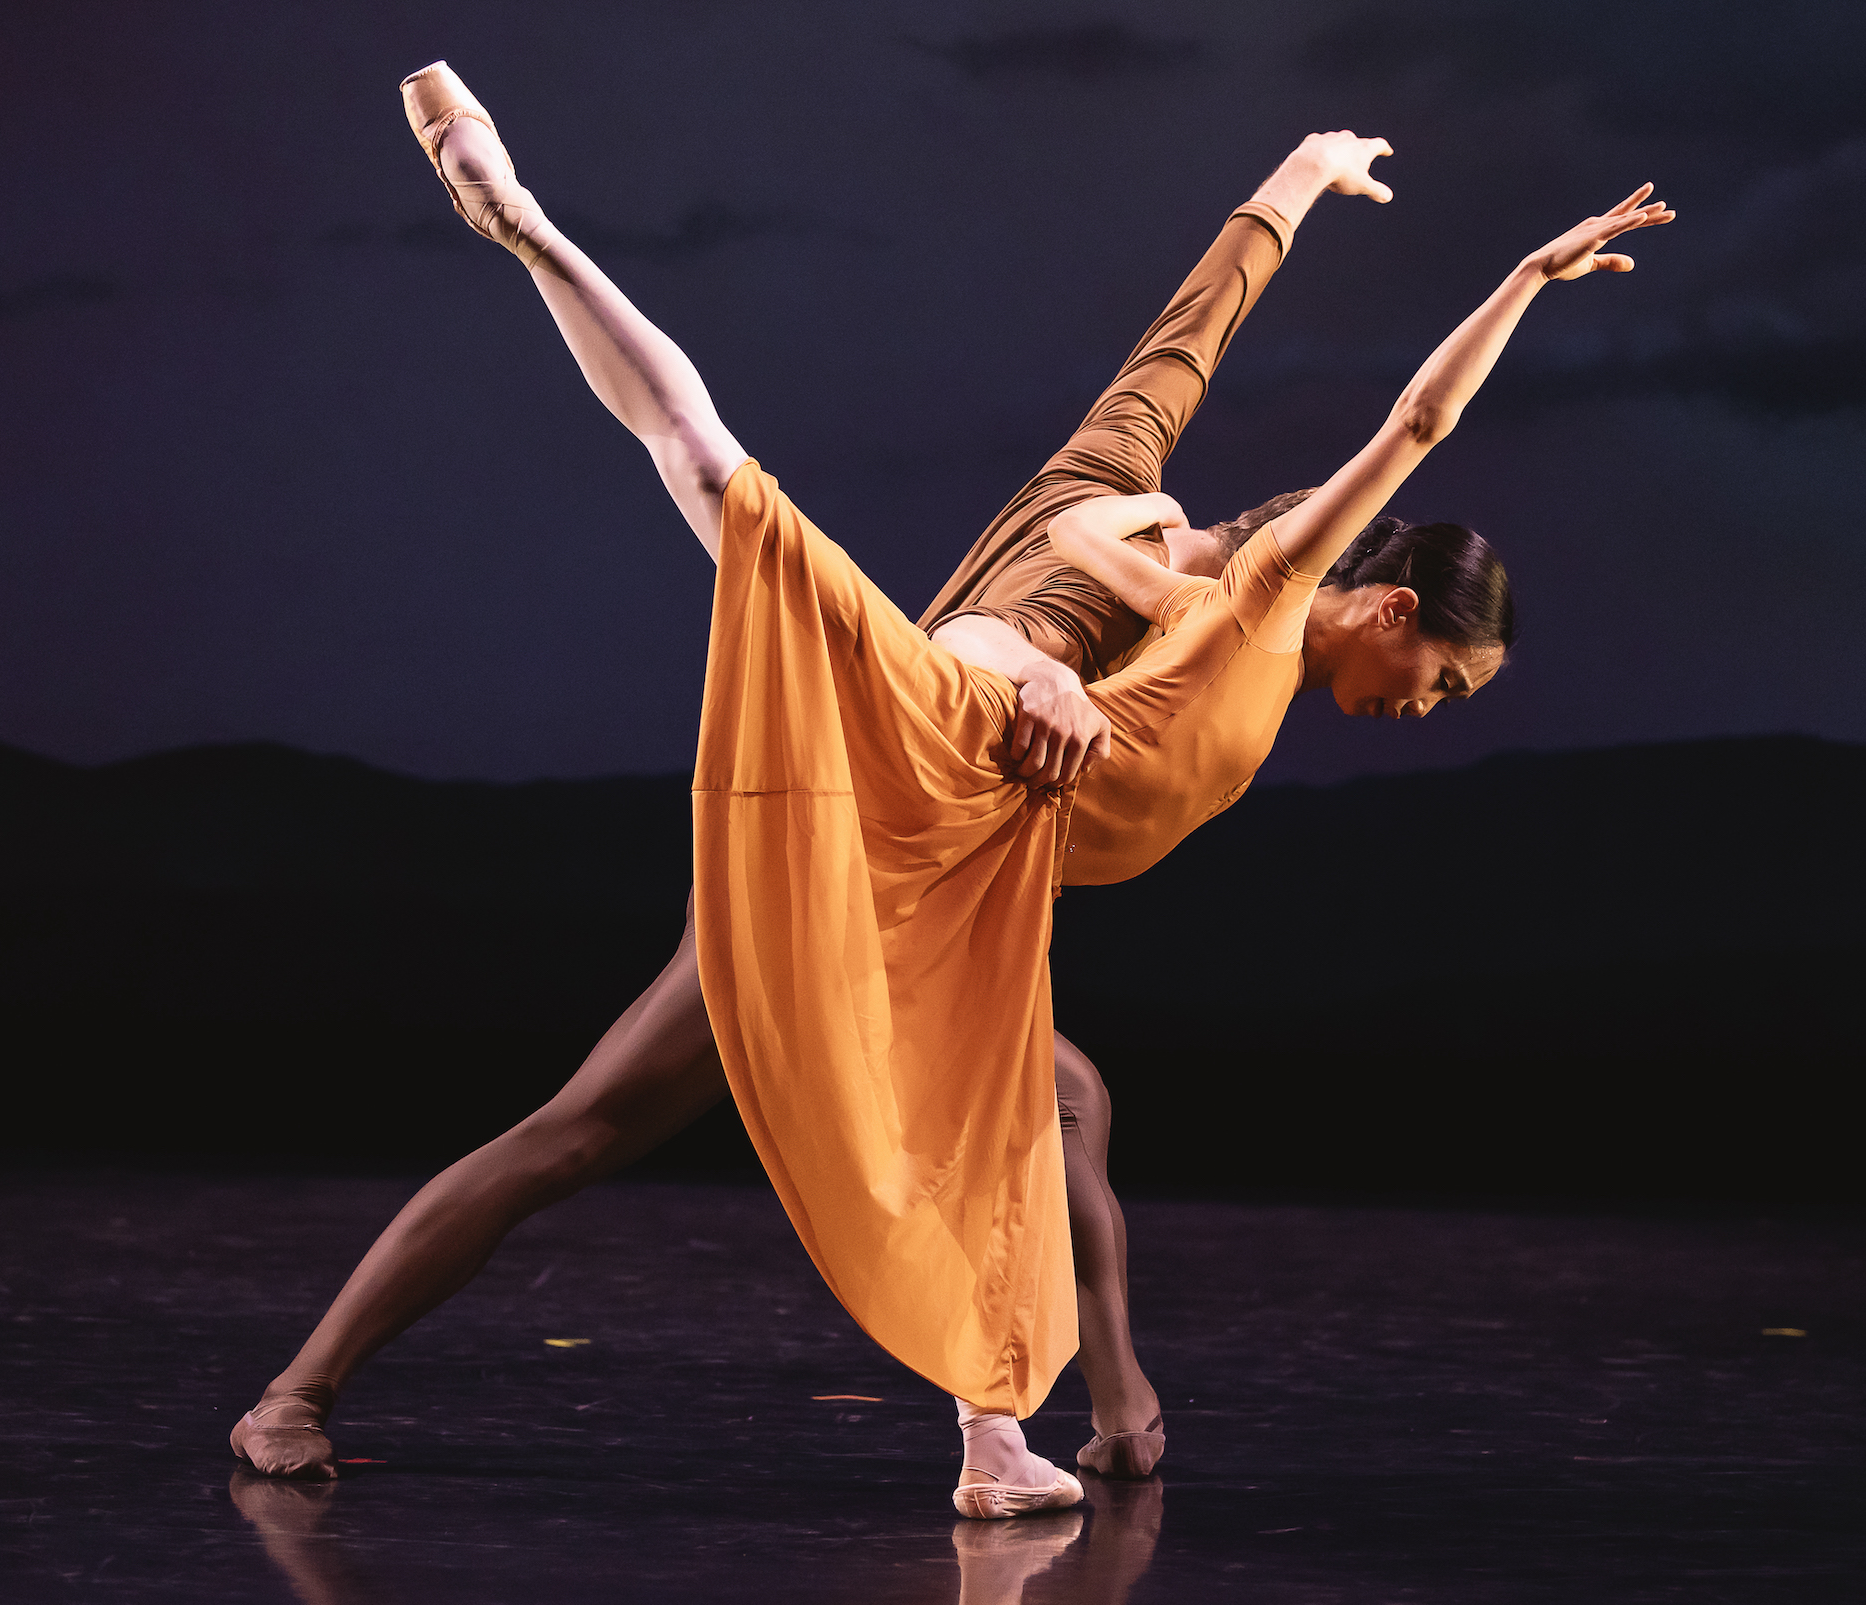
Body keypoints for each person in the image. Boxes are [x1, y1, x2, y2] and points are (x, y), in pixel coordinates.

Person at [236, 62, 1672, 1520]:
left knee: (1053, 1105)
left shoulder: (1124, 490)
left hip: (962, 878)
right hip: (907, 819)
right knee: (603, 1110)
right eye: (1439, 681)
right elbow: (1392, 441)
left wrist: (1296, 182)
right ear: (1391, 603)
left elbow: (1186, 342)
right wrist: (1528, 277)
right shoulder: (1251, 594)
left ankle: (1056, 1423)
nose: (1421, 711)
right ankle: (295, 1389)